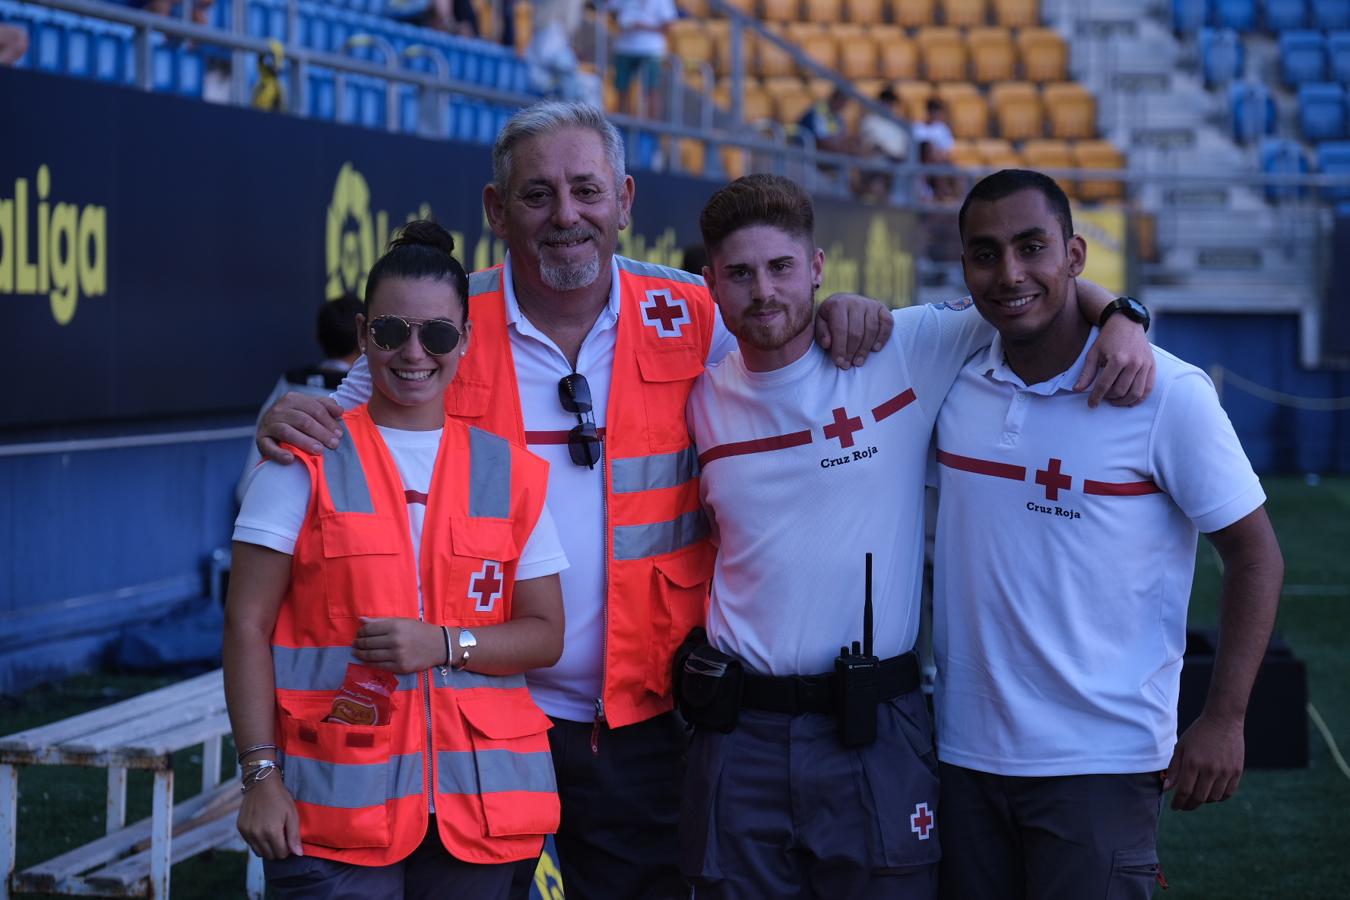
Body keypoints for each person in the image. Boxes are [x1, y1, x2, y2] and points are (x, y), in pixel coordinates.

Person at [255, 101, 896, 900]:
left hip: (645, 715)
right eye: (537, 195)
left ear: (625, 201)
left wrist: (839, 312)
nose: (567, 216)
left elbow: (789, 347)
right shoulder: (443, 321)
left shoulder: (694, 312)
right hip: (473, 709)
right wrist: (276, 418)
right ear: (495, 211)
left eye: (587, 191)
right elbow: (333, 423)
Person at [679, 174, 1156, 899]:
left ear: (816, 268)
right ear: (710, 281)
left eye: (781, 268)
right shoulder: (699, 399)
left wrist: (1124, 314)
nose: (764, 292)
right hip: (740, 732)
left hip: (873, 725)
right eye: (740, 274)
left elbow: (1028, 295)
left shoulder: (900, 350)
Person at [932, 169, 1284, 900]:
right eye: (986, 253)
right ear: (964, 266)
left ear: (1075, 255)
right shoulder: (952, 376)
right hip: (959, 754)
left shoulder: (1167, 393)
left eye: (1033, 247)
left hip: (1100, 763)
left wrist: (1223, 718)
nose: (1011, 273)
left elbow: (1255, 554)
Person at [224, 222, 568, 899]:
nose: (414, 353)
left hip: (484, 816)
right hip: (332, 816)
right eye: (390, 333)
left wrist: (444, 644)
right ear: (363, 335)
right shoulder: (303, 459)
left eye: (438, 334)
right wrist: (260, 778)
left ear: (465, 341)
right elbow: (245, 627)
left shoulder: (511, 472)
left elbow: (546, 633)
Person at [237, 294, 363, 505]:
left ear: (317, 336)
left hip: (278, 504)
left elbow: (249, 477)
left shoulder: (292, 382)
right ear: (364, 337)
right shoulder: (371, 390)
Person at [611, 0, 678, 118]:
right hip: (625, 48)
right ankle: (622, 129)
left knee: (651, 89)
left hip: (650, 50)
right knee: (622, 89)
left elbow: (669, 24)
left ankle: (652, 131)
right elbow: (613, 12)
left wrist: (643, 27)